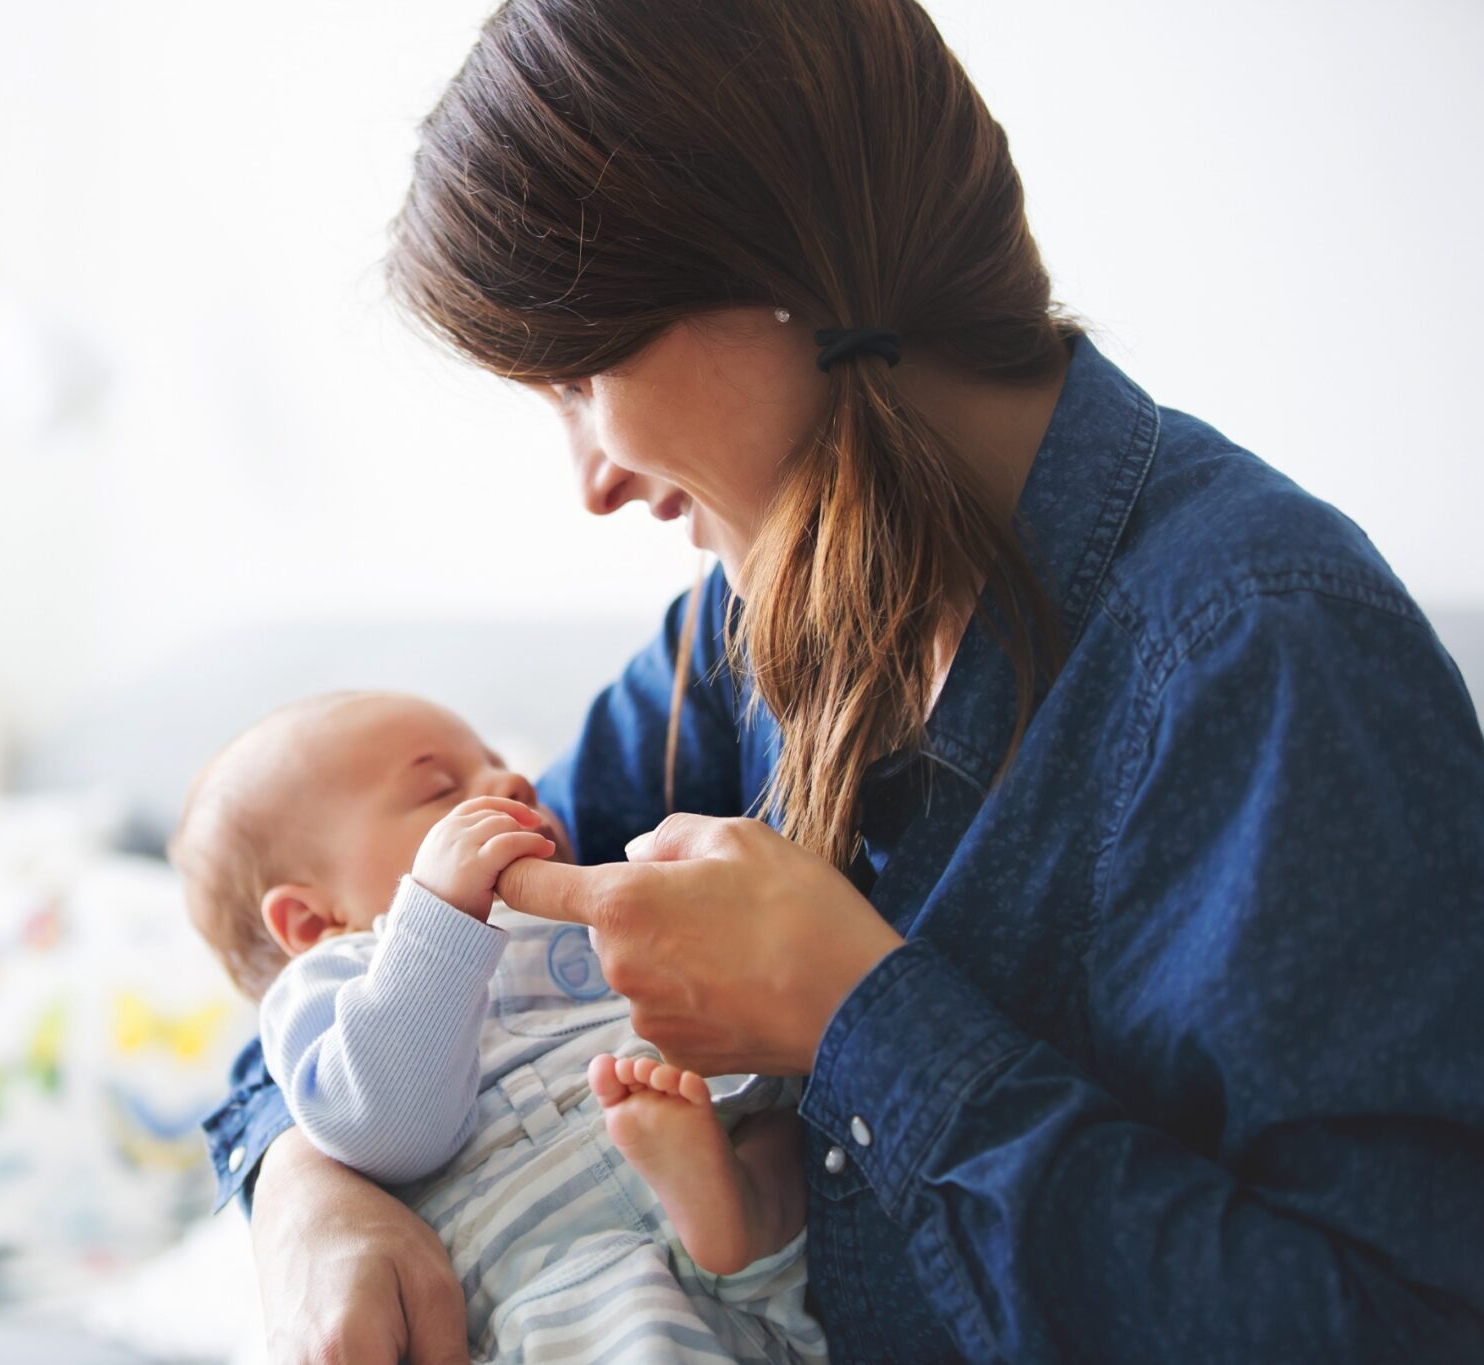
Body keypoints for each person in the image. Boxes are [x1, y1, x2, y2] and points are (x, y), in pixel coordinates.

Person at [201, 0, 1484, 1360]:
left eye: (583, 375)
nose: (591, 481)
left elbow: (1402, 1322)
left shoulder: (1258, 652)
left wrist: (860, 1015)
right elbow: (374, 945)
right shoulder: (733, 638)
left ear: (776, 270)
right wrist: (309, 1196)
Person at [171, 690, 827, 1360]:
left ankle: (731, 1209)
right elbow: (387, 1128)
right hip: (541, 1301)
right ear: (314, 921)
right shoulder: (333, 983)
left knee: (780, 1117)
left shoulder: (589, 898)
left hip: (726, 1261)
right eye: (440, 788)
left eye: (497, 761)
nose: (514, 780)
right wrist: (436, 914)